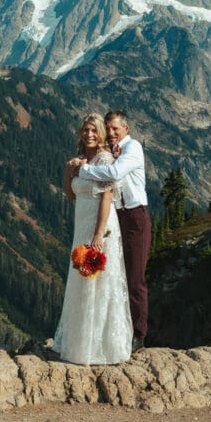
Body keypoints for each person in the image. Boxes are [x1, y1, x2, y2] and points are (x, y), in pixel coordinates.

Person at [51, 114, 132, 365]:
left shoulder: (105, 159)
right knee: (82, 279)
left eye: (94, 131)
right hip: (82, 224)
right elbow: (71, 194)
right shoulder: (82, 161)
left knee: (100, 282)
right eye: (86, 130)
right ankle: (81, 344)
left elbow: (107, 196)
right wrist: (69, 170)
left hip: (101, 225)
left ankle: (102, 346)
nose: (89, 135)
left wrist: (98, 234)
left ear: (101, 134)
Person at [71, 110, 150, 352]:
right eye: (110, 128)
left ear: (127, 129)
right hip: (117, 217)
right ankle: (112, 333)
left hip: (135, 215)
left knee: (135, 278)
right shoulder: (111, 153)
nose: (112, 133)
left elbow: (114, 175)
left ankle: (138, 335)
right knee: (115, 276)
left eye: (116, 128)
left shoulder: (132, 148)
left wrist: (82, 170)